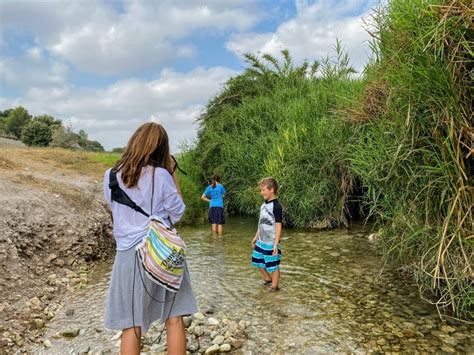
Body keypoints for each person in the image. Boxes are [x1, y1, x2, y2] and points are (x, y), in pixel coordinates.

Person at [103, 122, 197, 355]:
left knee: (131, 325)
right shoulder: (162, 174)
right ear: (161, 149)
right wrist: (173, 174)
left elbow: (115, 209)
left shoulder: (110, 176)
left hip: (128, 255)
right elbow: (178, 212)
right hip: (162, 251)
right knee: (174, 318)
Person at [251, 177, 283, 292]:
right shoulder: (263, 205)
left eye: (263, 190)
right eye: (261, 190)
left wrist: (275, 244)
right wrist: (256, 236)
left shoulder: (277, 206)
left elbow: (278, 226)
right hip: (261, 240)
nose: (261, 193)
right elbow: (261, 222)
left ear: (272, 190)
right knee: (257, 260)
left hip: (271, 242)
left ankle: (274, 287)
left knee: (273, 265)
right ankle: (267, 279)